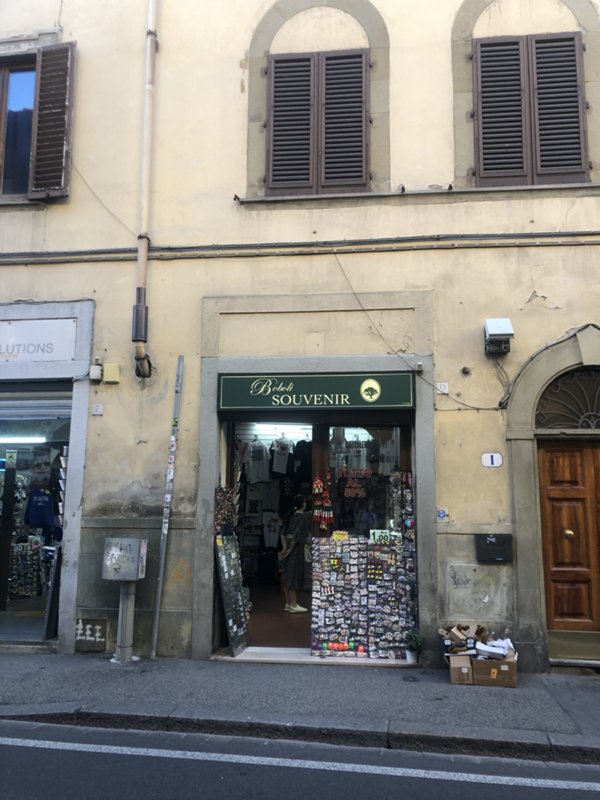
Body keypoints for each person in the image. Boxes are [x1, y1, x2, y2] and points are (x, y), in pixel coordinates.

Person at [279, 494, 311, 613]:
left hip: (287, 548)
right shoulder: (302, 517)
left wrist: (284, 547)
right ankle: (293, 604)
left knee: (288, 575)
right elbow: (296, 536)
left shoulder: (289, 516)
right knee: (294, 576)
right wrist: (289, 549)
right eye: (304, 502)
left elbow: (282, 532)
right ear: (303, 504)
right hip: (296, 550)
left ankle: (287, 603)